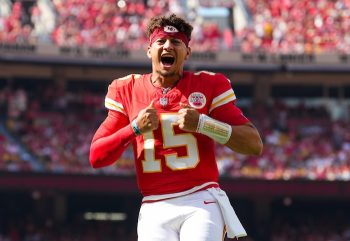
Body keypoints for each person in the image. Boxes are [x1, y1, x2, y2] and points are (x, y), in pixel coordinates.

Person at [89, 14, 263, 241]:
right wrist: (134, 128)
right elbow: (96, 156)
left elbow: (253, 144)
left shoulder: (207, 85)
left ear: (187, 52)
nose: (168, 46)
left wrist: (203, 124)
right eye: (161, 41)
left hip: (200, 199)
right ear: (149, 50)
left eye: (176, 42)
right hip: (154, 204)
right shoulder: (128, 89)